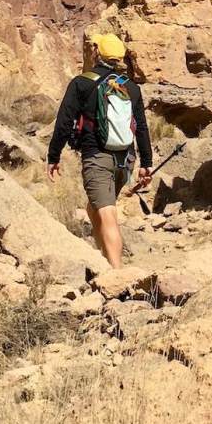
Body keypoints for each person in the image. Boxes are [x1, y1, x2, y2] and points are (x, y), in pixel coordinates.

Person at [47, 32, 152, 268]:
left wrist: (53, 157)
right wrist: (147, 164)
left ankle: (117, 273)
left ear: (97, 53)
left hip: (97, 157)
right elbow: (142, 127)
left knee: (107, 213)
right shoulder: (132, 88)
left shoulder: (82, 83)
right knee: (94, 206)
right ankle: (105, 258)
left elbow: (64, 123)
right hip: (126, 159)